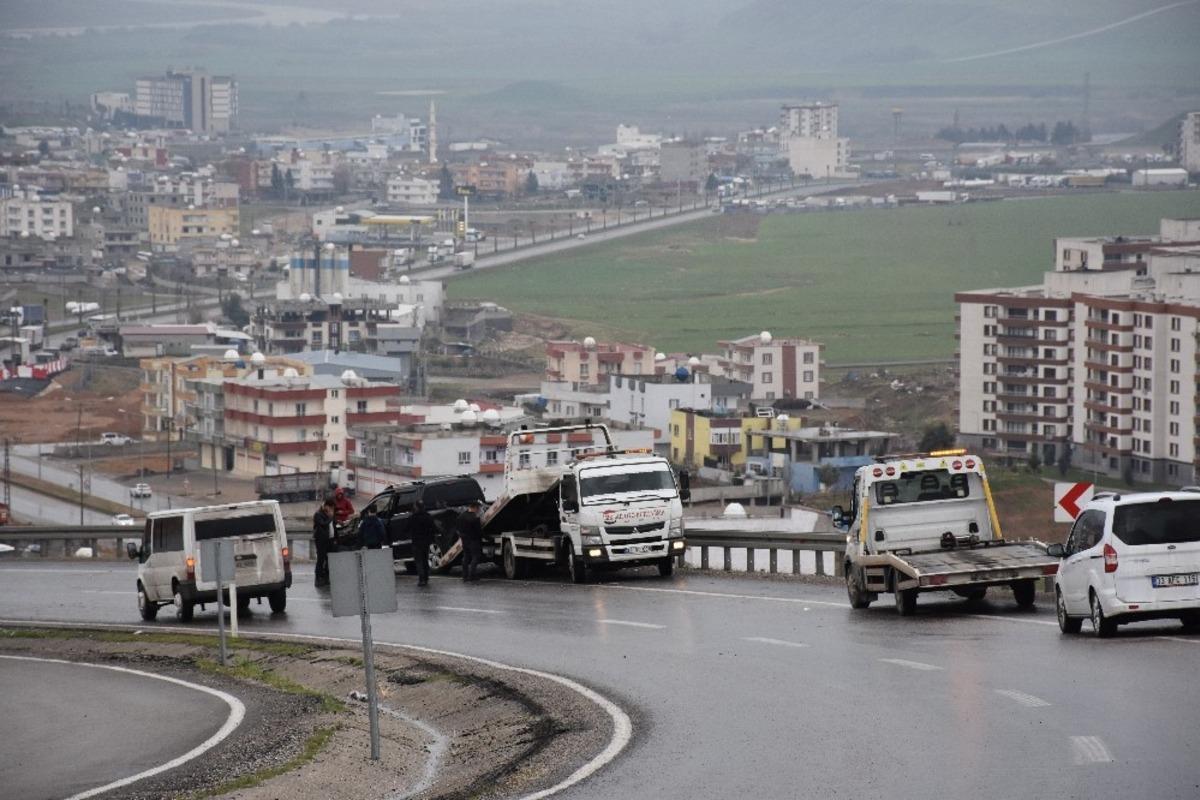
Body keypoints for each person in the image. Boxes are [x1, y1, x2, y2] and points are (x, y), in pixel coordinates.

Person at [407, 500, 438, 587]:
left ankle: (421, 579)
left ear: (416, 507)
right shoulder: (428, 516)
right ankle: (426, 577)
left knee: (419, 561)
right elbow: (434, 528)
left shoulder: (413, 517)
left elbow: (406, 528)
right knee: (425, 560)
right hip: (426, 542)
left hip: (416, 542)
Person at [457, 501, 483, 582]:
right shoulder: (475, 518)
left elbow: (458, 528)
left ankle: (465, 575)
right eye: (478, 508)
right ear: (475, 507)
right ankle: (472, 575)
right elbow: (479, 531)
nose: (478, 510)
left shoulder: (461, 516)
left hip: (464, 540)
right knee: (475, 557)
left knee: (466, 557)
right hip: (473, 540)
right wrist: (486, 537)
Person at [312, 497, 335, 588]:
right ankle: (318, 578)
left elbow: (333, 525)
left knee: (328, 559)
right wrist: (330, 518)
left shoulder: (329, 514)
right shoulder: (318, 514)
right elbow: (323, 524)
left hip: (330, 540)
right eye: (331, 508)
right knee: (320, 560)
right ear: (326, 506)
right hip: (321, 541)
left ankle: (325, 577)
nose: (331, 510)